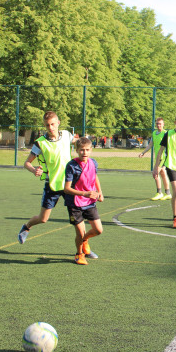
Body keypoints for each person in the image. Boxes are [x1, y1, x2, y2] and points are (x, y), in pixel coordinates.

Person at [17, 111, 79, 244]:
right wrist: (34, 170)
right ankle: (27, 226)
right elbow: (26, 163)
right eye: (47, 125)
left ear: (58, 123)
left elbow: (79, 143)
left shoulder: (67, 135)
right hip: (52, 184)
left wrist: (85, 145)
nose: (50, 128)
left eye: (52, 124)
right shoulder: (40, 143)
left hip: (69, 184)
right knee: (43, 219)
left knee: (77, 219)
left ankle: (84, 248)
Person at [63, 137, 104, 265]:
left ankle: (85, 240)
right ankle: (79, 254)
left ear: (91, 150)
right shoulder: (71, 166)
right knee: (80, 232)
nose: (84, 153)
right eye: (81, 150)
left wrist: (100, 192)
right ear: (76, 150)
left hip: (90, 203)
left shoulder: (93, 163)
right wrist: (85, 193)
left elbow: (95, 176)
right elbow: (67, 189)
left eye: (87, 150)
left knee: (98, 230)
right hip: (75, 203)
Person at [139, 117, 171, 201]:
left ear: (163, 124)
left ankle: (159, 193)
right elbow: (150, 144)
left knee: (155, 174)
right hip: (158, 157)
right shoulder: (154, 133)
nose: (158, 125)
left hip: (163, 157)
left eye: (160, 123)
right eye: (157, 123)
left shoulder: (166, 133)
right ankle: (168, 193)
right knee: (163, 173)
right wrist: (143, 152)